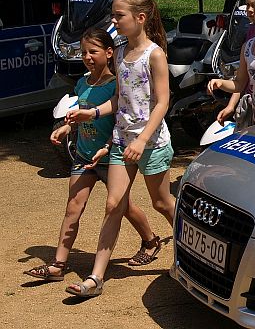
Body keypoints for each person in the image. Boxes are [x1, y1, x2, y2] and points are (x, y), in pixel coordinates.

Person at [22, 29, 160, 283]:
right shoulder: (82, 83)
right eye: (84, 52)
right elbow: (81, 113)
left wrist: (107, 146)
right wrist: (67, 128)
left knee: (124, 207)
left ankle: (150, 240)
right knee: (73, 207)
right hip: (84, 156)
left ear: (108, 53)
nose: (87, 57)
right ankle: (58, 265)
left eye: (93, 52)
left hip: (110, 157)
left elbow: (120, 122)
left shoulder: (115, 86)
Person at [64, 0, 176, 297]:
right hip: (121, 140)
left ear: (140, 18)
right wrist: (91, 113)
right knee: (113, 205)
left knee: (162, 203)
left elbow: (162, 102)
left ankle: (188, 250)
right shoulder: (122, 52)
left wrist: (142, 139)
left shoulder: (154, 54)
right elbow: (119, 99)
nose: (113, 21)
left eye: (118, 15)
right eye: (113, 15)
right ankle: (96, 278)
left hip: (151, 143)